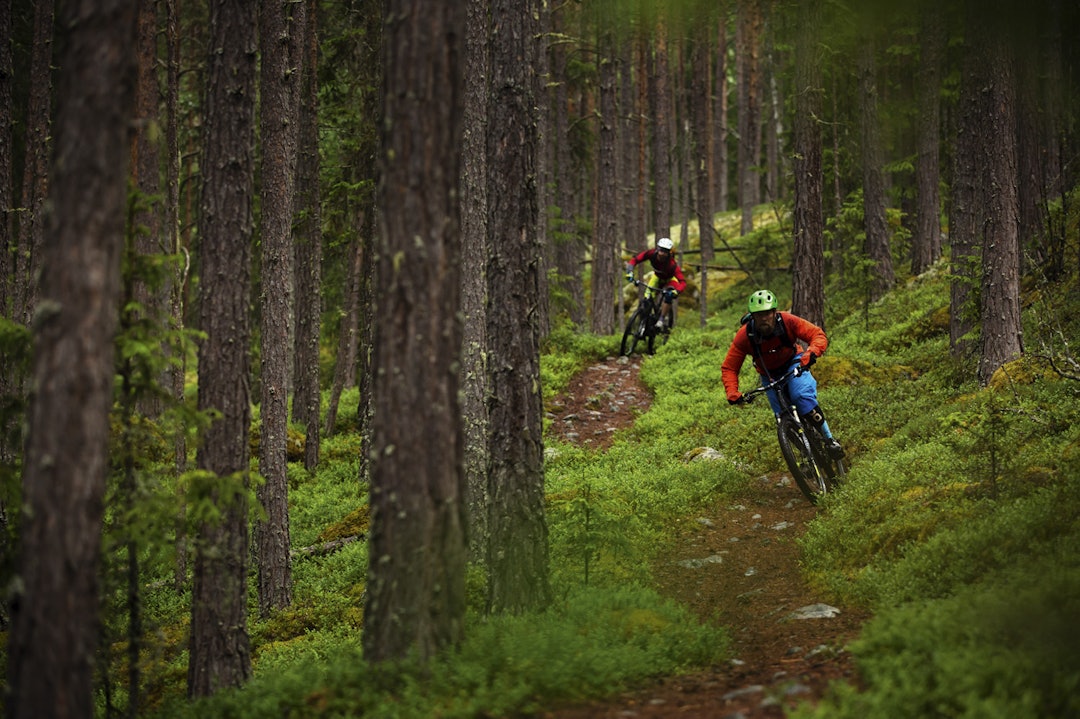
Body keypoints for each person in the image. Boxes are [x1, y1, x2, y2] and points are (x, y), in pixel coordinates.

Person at [722, 289, 844, 459]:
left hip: (793, 362)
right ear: (752, 317)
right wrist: (732, 392)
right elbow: (730, 368)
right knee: (782, 418)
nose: (764, 318)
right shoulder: (745, 336)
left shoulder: (787, 321)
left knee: (801, 397)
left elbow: (817, 334)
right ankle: (805, 454)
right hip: (769, 375)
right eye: (759, 315)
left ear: (774, 312)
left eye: (767, 313)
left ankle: (830, 440)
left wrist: (811, 353)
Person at [625, 237, 686, 332]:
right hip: (657, 278)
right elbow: (635, 260)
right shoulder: (651, 254)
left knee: (668, 295)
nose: (662, 253)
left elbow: (682, 282)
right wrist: (629, 271)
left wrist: (676, 291)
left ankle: (661, 319)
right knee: (647, 299)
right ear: (657, 249)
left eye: (665, 251)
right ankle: (644, 323)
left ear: (669, 253)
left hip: (669, 280)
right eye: (661, 250)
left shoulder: (672, 265)